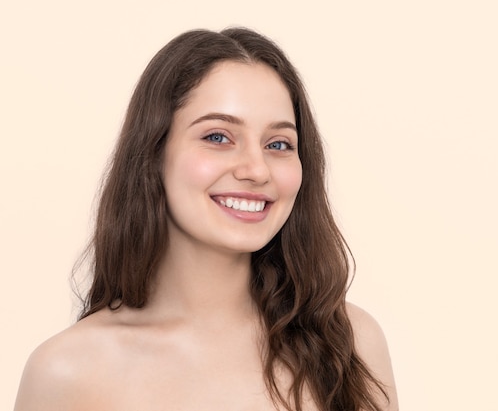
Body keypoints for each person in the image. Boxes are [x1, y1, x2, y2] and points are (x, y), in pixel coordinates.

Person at [14, 27, 398, 411]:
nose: (256, 169)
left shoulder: (351, 344)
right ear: (154, 153)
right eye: (218, 137)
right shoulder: (67, 373)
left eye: (278, 144)